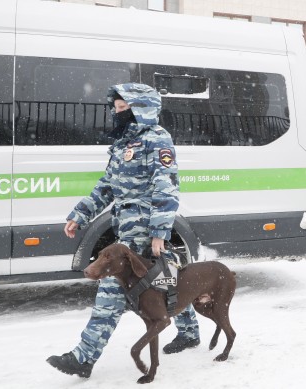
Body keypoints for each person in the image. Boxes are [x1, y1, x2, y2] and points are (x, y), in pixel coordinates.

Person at [46, 83, 200, 379]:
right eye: (115, 109)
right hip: (126, 228)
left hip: (144, 229)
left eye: (122, 110)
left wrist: (159, 231)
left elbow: (166, 187)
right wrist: (80, 214)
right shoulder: (122, 145)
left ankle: (84, 357)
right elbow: (107, 186)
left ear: (139, 110)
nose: (116, 115)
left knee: (112, 289)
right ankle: (190, 330)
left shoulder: (157, 140)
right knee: (166, 279)